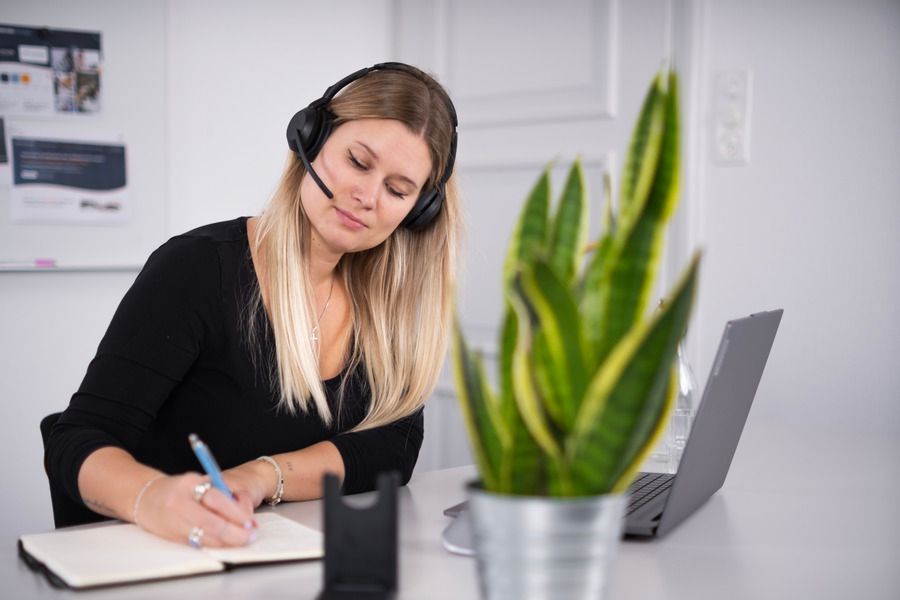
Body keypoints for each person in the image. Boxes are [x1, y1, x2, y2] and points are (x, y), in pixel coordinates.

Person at [45, 62, 460, 549]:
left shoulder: (386, 304)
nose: (367, 197)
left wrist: (262, 477)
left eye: (397, 190)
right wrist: (152, 497)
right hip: (170, 561)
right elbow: (77, 440)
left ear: (419, 212)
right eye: (358, 162)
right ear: (310, 138)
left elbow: (390, 447)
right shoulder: (197, 268)